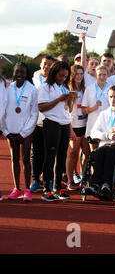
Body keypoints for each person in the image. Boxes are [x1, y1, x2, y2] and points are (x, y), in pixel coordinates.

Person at [38, 61, 75, 201]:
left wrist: (70, 100)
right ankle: (46, 189)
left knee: (61, 157)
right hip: (51, 123)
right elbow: (41, 107)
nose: (63, 78)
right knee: (50, 155)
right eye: (61, 75)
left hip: (65, 123)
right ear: (54, 73)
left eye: (65, 76)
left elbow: (68, 110)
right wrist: (59, 99)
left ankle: (58, 188)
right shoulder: (45, 87)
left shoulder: (64, 87)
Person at [2, 63, 38, 201]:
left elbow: (34, 113)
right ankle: (17, 188)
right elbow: (3, 111)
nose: (19, 74)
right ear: (13, 72)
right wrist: (6, 131)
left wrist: (24, 133)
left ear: (26, 73)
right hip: (11, 131)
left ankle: (27, 190)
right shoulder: (7, 89)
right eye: (17, 72)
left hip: (25, 132)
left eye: (22, 72)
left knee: (26, 159)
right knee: (14, 159)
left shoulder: (32, 90)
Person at [29, 55, 55, 193]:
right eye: (45, 63)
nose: (47, 66)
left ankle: (48, 180)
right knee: (35, 153)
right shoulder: (35, 77)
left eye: (50, 64)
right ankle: (35, 180)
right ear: (40, 64)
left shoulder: (54, 81)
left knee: (49, 153)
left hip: (50, 121)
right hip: (36, 121)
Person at [66, 64, 90, 191]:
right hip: (74, 125)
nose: (79, 76)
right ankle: (70, 180)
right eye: (76, 74)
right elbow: (67, 111)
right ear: (72, 75)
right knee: (73, 153)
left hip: (85, 125)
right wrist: (70, 129)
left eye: (81, 74)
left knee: (87, 153)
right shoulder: (68, 89)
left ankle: (83, 178)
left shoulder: (86, 88)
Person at [81, 65, 111, 151]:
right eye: (99, 74)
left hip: (107, 126)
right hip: (93, 126)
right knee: (93, 154)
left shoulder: (111, 88)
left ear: (107, 75)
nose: (102, 77)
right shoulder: (89, 89)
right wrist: (93, 108)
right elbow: (83, 110)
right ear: (96, 75)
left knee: (106, 154)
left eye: (104, 74)